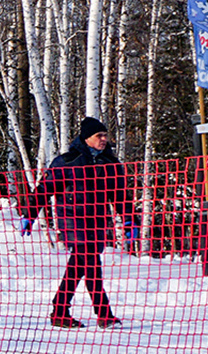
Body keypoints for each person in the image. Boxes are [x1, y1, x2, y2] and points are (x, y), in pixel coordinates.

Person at [18, 116, 135, 329]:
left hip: (98, 222)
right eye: (98, 136)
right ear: (86, 138)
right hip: (73, 220)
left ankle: (60, 311)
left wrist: (129, 219)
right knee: (90, 262)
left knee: (80, 264)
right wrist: (30, 214)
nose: (103, 139)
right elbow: (44, 189)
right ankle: (104, 314)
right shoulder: (67, 162)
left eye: (105, 135)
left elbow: (120, 196)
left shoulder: (111, 164)